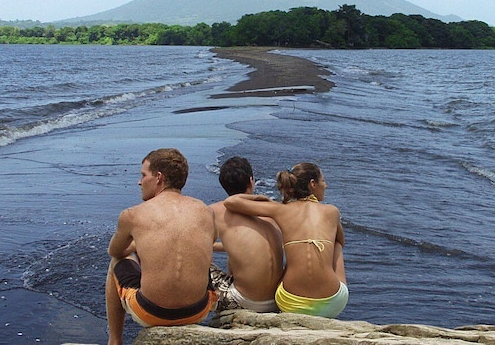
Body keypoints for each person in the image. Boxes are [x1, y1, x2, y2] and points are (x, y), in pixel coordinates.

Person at [105, 148, 217, 345]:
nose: (139, 182)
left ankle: (115, 340)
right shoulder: (205, 211)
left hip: (152, 313)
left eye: (143, 175)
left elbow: (114, 251)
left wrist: (138, 244)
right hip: (199, 311)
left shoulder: (132, 215)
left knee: (117, 262)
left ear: (158, 177)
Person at [223, 162, 348, 318]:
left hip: (290, 301)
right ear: (313, 184)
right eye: (323, 181)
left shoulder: (280, 210)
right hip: (331, 303)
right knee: (335, 244)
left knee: (289, 249)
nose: (326, 185)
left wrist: (261, 198)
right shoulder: (332, 211)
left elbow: (231, 202)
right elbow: (340, 242)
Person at [209, 156, 284, 312]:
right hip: (277, 300)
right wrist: (216, 247)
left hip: (243, 301)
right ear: (251, 181)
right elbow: (247, 245)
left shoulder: (216, 211)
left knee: (190, 255)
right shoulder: (273, 210)